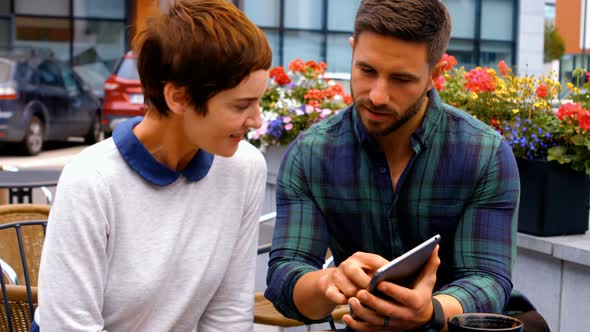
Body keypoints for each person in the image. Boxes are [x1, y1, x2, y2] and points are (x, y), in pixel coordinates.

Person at [265, 1, 549, 331]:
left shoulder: (484, 152)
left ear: (435, 75)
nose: (378, 95)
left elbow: (487, 277)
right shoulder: (311, 154)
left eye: (401, 79)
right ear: (353, 50)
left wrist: (430, 312)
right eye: (366, 70)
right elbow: (285, 275)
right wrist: (329, 283)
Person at [33, 1, 271, 331]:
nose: (257, 120)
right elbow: (68, 327)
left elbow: (228, 313)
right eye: (241, 105)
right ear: (178, 98)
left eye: (259, 101)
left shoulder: (244, 168)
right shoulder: (91, 180)